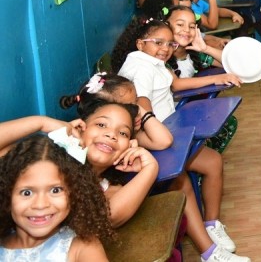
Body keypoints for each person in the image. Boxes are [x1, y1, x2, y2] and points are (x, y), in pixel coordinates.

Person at [61, 73, 246, 261]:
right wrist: (150, 168)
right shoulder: (69, 161)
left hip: (121, 193)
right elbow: (112, 215)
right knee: (179, 181)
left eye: (135, 104)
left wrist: (140, 112)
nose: (111, 134)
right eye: (102, 124)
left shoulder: (126, 134)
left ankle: (210, 245)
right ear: (84, 125)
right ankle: (209, 251)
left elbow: (164, 140)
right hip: (95, 232)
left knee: (183, 178)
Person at [112, 19, 246, 259]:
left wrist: (216, 78)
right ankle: (209, 252)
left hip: (171, 134)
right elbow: (141, 105)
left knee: (213, 161)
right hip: (151, 140)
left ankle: (211, 225)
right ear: (140, 43)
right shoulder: (140, 68)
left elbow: (176, 84)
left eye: (169, 44)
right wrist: (157, 136)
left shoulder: (154, 62)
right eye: (158, 42)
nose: (165, 48)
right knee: (180, 181)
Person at [0, 100, 156, 229]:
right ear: (80, 129)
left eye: (123, 133)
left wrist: (150, 168)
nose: (111, 134)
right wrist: (42, 122)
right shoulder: (42, 161)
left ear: (129, 146)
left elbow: (110, 217)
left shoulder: (110, 190)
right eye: (101, 125)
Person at [0, 135, 111, 261]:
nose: (40, 204)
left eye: (55, 190)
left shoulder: (82, 248)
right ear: (7, 195)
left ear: (75, 193)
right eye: (27, 193)